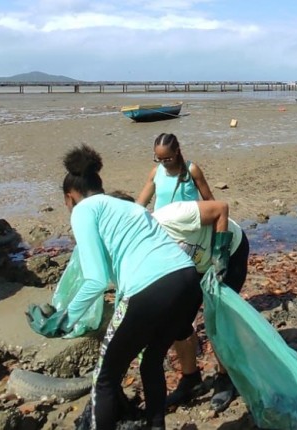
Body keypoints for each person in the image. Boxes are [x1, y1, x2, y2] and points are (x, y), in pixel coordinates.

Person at [35, 145, 203, 430]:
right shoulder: (129, 206)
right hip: (186, 280)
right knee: (151, 361)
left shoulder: (84, 210)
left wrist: (65, 320)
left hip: (151, 287)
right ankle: (156, 426)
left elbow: (96, 279)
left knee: (105, 378)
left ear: (70, 196)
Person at [109, 191, 249, 413]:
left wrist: (220, 254)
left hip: (229, 253)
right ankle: (191, 377)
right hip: (192, 267)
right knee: (178, 322)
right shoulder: (133, 246)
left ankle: (225, 378)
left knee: (218, 319)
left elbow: (221, 207)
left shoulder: (171, 217)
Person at [136, 133, 214, 210]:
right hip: (161, 220)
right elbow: (141, 203)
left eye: (168, 159)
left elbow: (209, 200)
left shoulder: (192, 170)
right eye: (159, 159)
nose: (163, 163)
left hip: (187, 221)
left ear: (176, 151)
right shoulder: (156, 172)